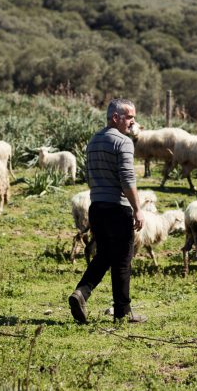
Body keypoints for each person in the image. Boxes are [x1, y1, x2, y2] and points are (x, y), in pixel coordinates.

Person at [68, 98, 147, 324]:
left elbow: (90, 175)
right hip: (117, 208)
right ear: (115, 117)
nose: (133, 122)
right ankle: (123, 311)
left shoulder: (94, 141)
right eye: (129, 117)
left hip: (97, 207)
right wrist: (137, 209)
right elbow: (127, 178)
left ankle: (81, 293)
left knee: (104, 255)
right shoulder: (123, 142)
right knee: (123, 259)